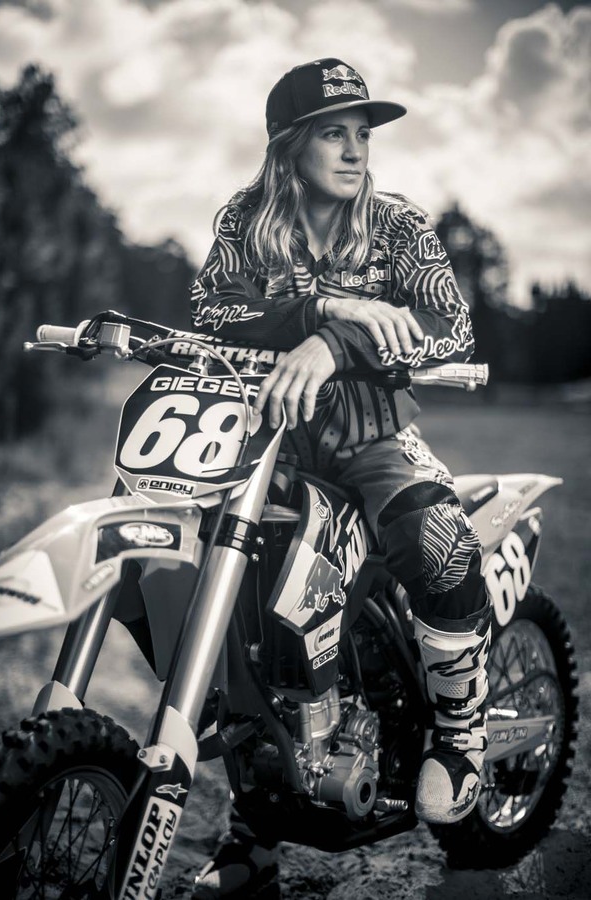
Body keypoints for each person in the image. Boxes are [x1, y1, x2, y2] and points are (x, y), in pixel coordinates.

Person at [189, 58, 491, 899]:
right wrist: (323, 308)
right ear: (289, 146)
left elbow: (448, 325)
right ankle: (255, 832)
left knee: (438, 540)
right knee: (241, 613)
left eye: (363, 134)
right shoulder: (245, 221)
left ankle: (460, 734)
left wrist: (334, 344)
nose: (357, 150)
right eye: (334, 133)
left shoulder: (398, 224)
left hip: (373, 438)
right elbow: (211, 312)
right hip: (267, 444)